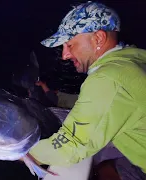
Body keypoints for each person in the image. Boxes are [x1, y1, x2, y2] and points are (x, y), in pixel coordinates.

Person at [27, 1, 146, 179]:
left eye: (70, 45)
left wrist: (24, 153)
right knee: (107, 167)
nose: (65, 55)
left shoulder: (108, 78)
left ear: (98, 38)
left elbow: (71, 147)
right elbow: (107, 102)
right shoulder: (134, 60)